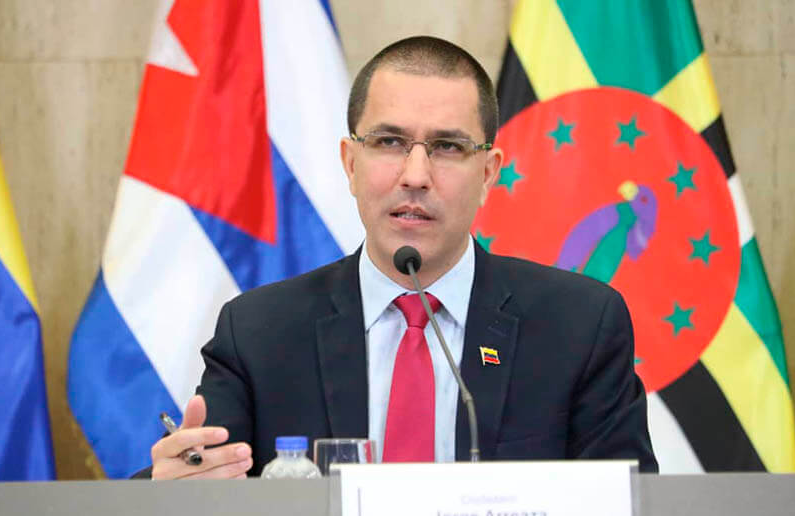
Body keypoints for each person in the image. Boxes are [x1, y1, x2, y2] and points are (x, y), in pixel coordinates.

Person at [145, 36, 657, 480]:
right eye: (389, 141)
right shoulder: (258, 332)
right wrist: (171, 486)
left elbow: (628, 500)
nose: (415, 175)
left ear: (488, 173)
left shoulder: (580, 326)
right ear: (350, 164)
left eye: (448, 147)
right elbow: (201, 476)